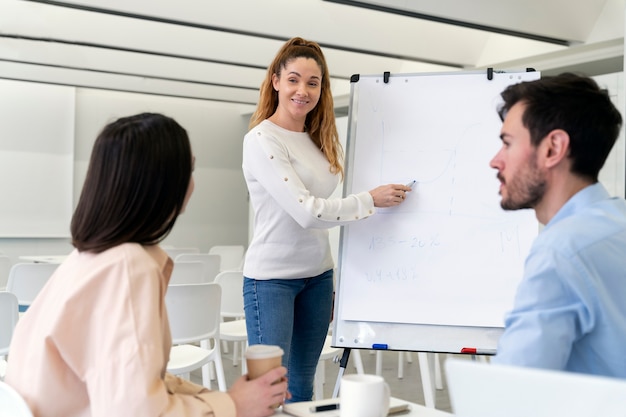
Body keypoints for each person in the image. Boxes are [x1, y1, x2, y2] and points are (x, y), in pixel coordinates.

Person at [5, 113, 288, 417]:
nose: (192, 183)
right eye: (188, 169)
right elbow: (134, 411)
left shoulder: (89, 260)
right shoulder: (127, 268)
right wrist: (235, 406)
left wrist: (224, 398)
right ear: (161, 183)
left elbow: (132, 380)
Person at [241, 36, 411, 402]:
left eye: (313, 82)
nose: (303, 90)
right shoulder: (261, 140)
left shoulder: (320, 138)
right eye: (293, 79)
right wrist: (370, 200)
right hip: (271, 281)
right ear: (275, 81)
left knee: (303, 382)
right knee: (270, 389)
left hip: (317, 276)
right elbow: (307, 211)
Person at [489, 73, 626, 378]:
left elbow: (509, 393)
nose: (495, 161)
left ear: (553, 148)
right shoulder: (618, 223)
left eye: (507, 144)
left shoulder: (560, 251)